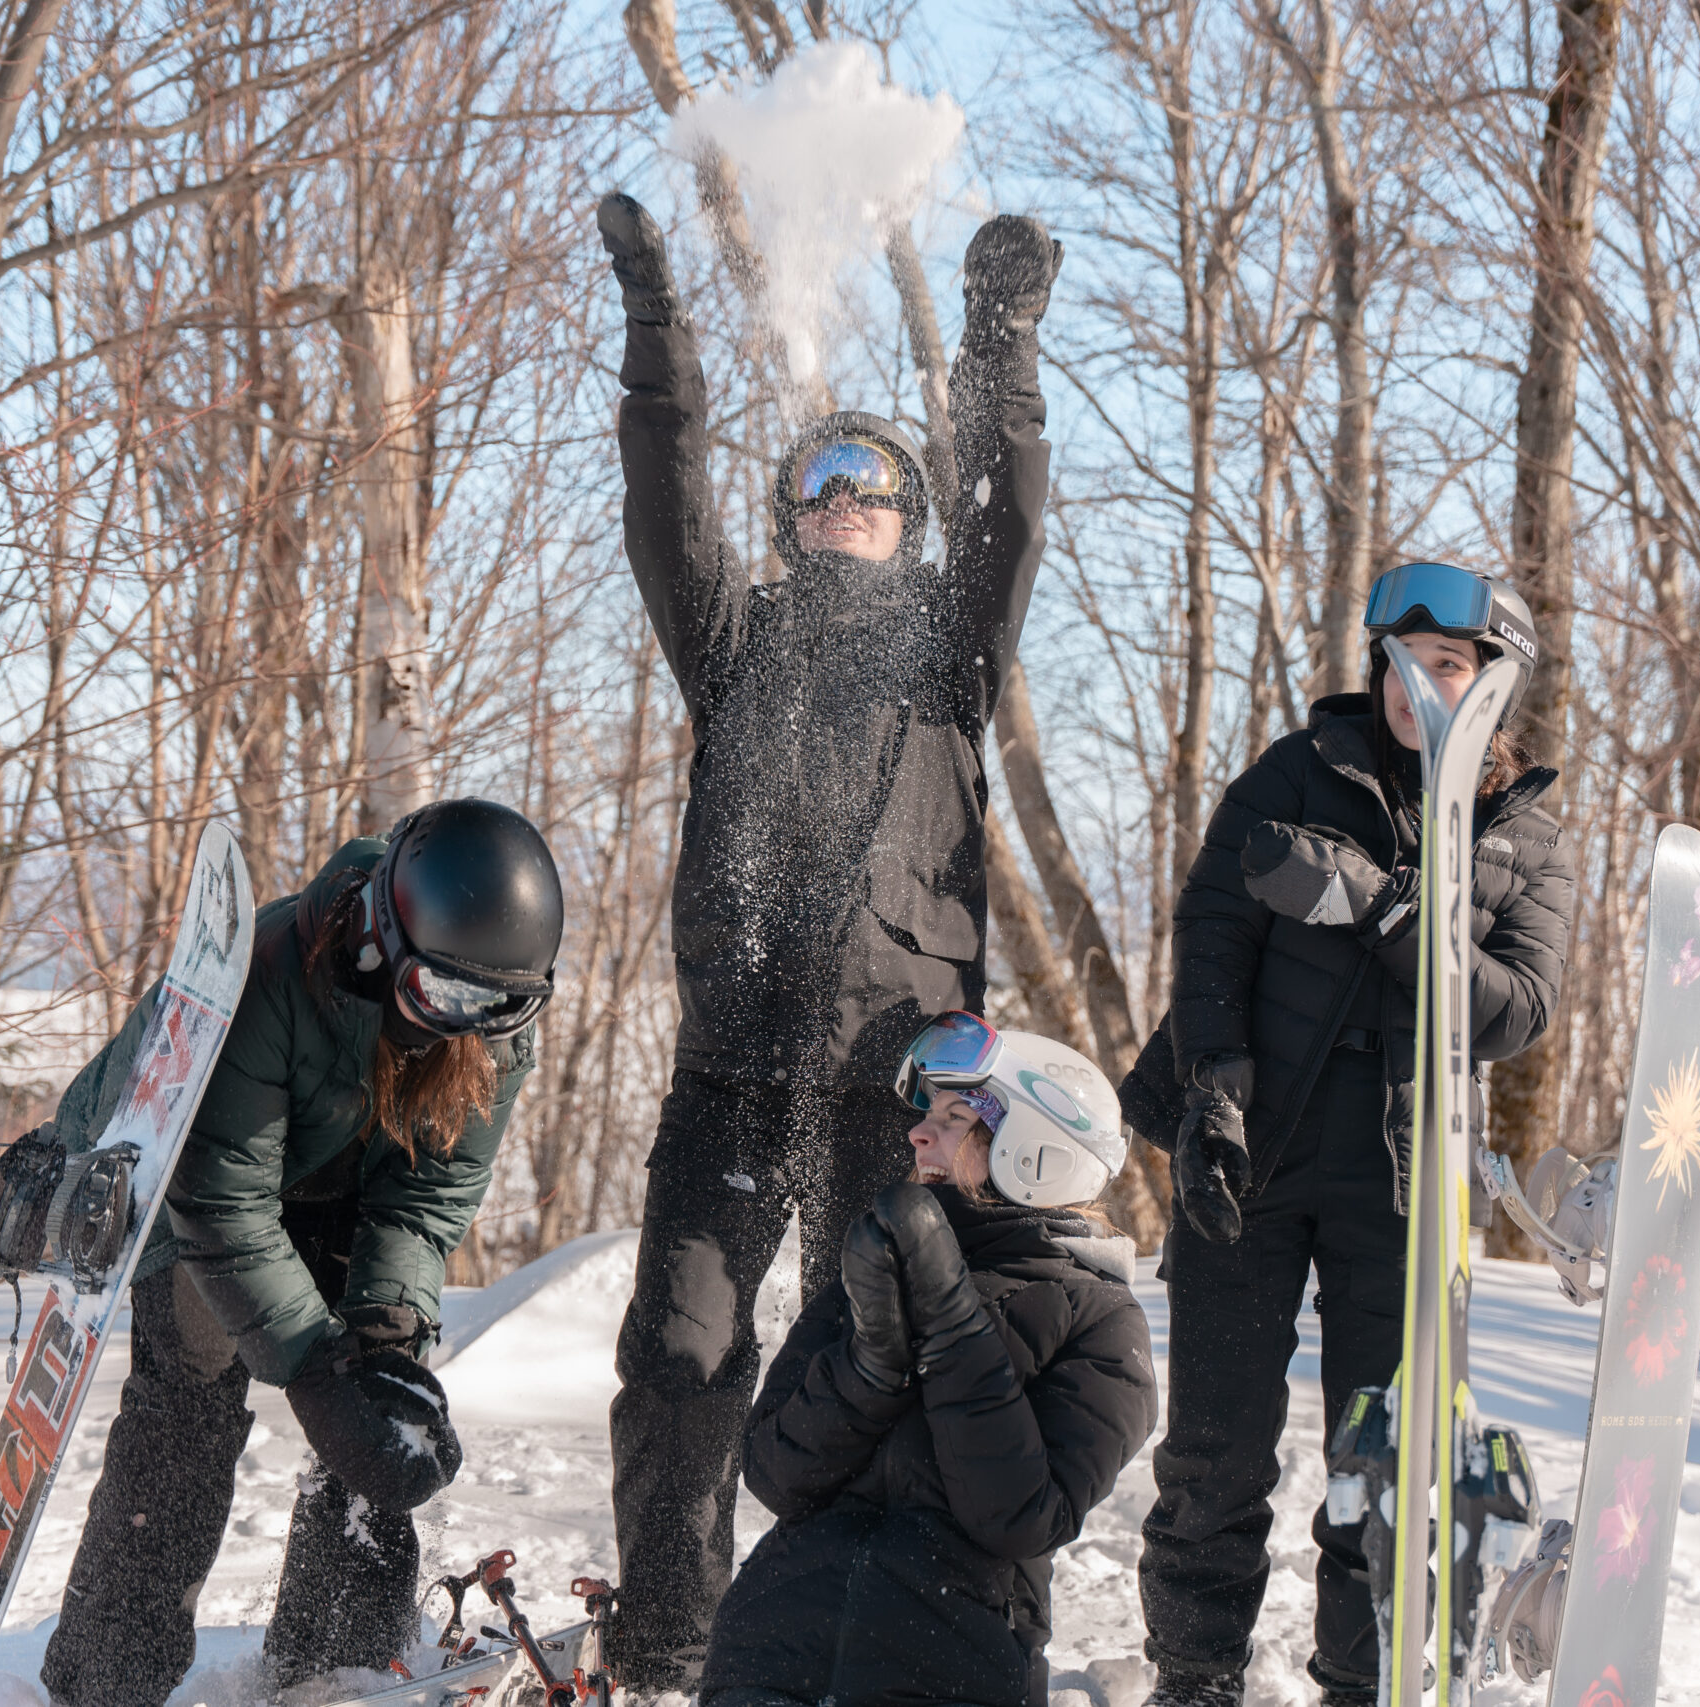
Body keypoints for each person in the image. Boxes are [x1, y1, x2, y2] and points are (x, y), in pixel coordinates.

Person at [592, 192, 1062, 1687]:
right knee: (681, 1359)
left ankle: (876, 1641)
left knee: (878, 1363)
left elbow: (1012, 500)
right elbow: (667, 513)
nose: (845, 496)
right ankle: (671, 1640)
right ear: (795, 512)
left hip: (900, 1086)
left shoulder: (952, 645)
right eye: (820, 479)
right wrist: (658, 334)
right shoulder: (737, 643)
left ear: (908, 515)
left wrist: (999, 341)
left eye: (874, 480)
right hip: (732, 1071)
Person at [1132, 563, 1573, 1706]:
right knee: (1214, 1454)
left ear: (1491, 687)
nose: (1414, 683)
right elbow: (1213, 935)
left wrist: (1381, 907)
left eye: (1445, 665)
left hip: (1405, 1182)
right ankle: (1193, 1679)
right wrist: (1210, 1098)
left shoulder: (1524, 833)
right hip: (1255, 1155)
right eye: (1400, 660)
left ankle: (1358, 1682)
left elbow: (1516, 1011)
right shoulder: (1294, 771)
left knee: (1382, 1467)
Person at [29, 799, 564, 1707]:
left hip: (330, 1184)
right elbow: (223, 1197)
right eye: (443, 995)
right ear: (384, 938)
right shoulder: (276, 968)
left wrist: (380, 1342)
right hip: (174, 1171)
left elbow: (427, 1196)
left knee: (380, 1396)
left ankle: (339, 1659)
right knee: (192, 1380)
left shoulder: (487, 1026)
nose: (462, 1023)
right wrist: (312, 1371)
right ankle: (105, 1677)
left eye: (496, 1004)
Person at [700, 1013, 1157, 1707]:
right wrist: (870, 1368)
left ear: (1034, 1148)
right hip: (767, 1656)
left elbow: (1020, 1517)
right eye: (927, 1114)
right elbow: (773, 1472)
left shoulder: (1101, 1318)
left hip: (943, 1670)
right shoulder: (875, 1263)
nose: (919, 1132)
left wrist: (949, 1322)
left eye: (955, 1116)